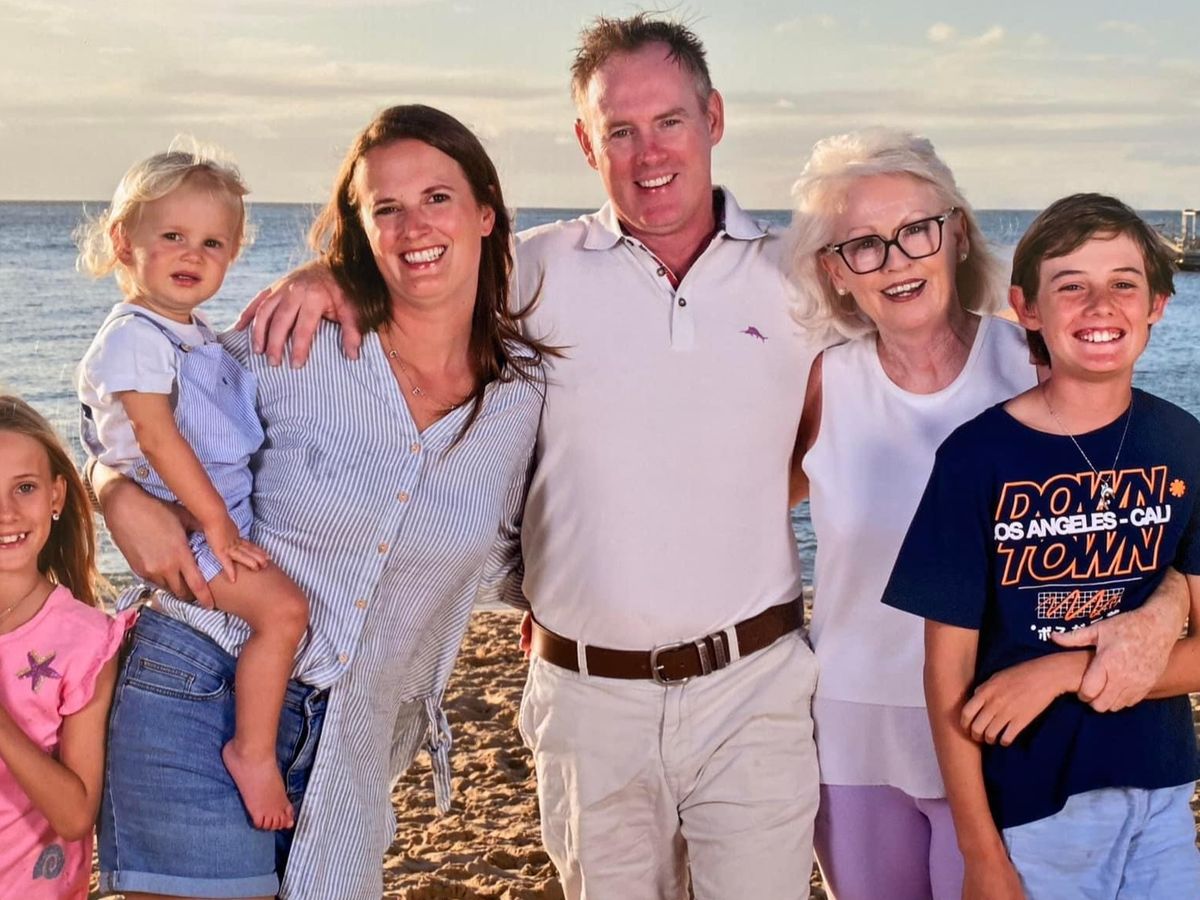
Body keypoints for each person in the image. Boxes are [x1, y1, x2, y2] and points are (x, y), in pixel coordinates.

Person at [239, 14, 1187, 899]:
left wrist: (1161, 599)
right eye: (619, 131)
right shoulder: (528, 271)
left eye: (669, 121)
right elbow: (421, 266)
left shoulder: (796, 278)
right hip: (586, 698)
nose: (648, 153)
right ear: (586, 144)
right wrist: (332, 274)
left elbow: (884, 401)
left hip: (757, 688)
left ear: (714, 119)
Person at [91, 105, 549, 899]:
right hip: (199, 681)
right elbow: (137, 411)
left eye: (437, 198)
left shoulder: (523, 398)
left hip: (356, 738)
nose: (414, 227)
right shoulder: (295, 341)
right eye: (387, 208)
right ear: (361, 230)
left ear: (485, 211)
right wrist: (109, 488)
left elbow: (536, 548)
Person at [883, 193, 1200, 899]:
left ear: (1157, 305)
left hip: (1163, 795)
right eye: (1071, 286)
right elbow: (945, 674)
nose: (1100, 305)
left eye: (1123, 284)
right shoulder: (976, 459)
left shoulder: (1184, 444)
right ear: (1026, 308)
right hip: (1034, 809)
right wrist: (980, 854)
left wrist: (1065, 672)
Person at [786, 129, 1036, 899]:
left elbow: (1133, 516)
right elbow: (738, 514)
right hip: (853, 732)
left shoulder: (1033, 365)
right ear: (835, 271)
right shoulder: (823, 382)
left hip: (1005, 726)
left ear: (957, 232)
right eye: (864, 244)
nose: (896, 261)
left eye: (916, 230)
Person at [76, 148, 309, 831]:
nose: (192, 254)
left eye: (212, 243)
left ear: (232, 254)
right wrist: (217, 525)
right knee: (283, 613)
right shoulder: (134, 337)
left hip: (213, 513)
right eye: (172, 235)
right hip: (188, 524)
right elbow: (156, 438)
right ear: (125, 241)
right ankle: (252, 752)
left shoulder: (191, 333)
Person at [0, 395, 132, 899]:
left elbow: (77, 816)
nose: (6, 513)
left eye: (25, 488)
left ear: (56, 496)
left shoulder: (84, 640)